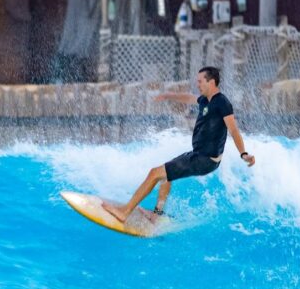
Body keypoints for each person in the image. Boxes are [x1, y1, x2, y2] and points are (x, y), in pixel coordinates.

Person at [104, 66, 255, 223]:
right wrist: (169, 95)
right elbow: (189, 98)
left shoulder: (222, 103)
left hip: (205, 159)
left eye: (200, 81)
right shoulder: (205, 99)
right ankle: (156, 214)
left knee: (154, 173)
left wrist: (244, 153)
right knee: (166, 176)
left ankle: (124, 212)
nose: (198, 84)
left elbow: (234, 130)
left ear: (211, 82)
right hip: (198, 154)